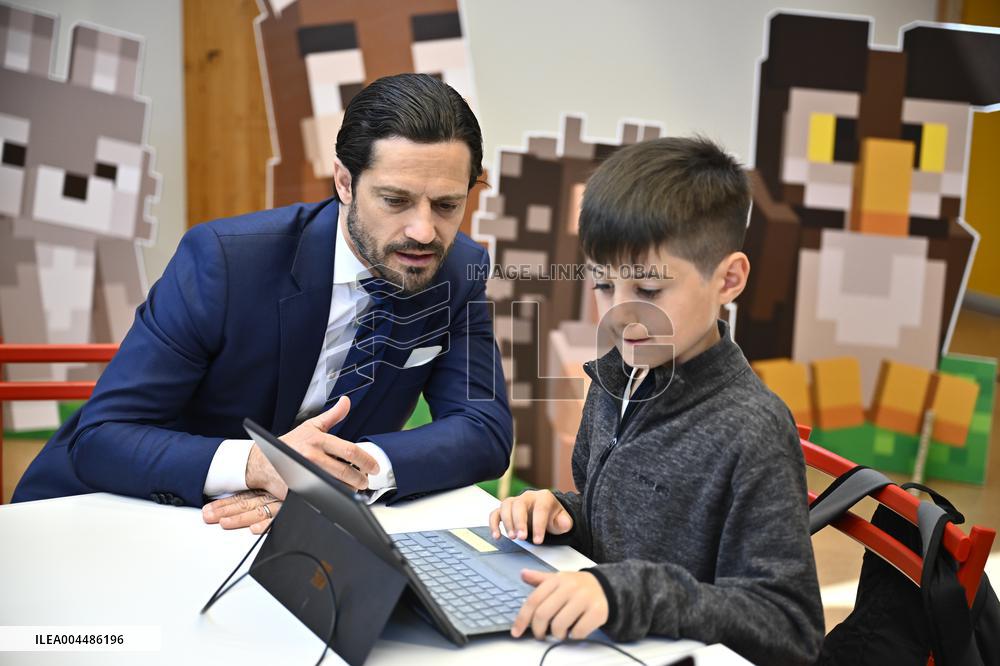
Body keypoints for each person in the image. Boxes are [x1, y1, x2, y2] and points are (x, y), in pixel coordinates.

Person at [14, 74, 513, 535]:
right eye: (395, 200)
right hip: (116, 514)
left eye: (447, 205)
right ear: (344, 182)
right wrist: (256, 465)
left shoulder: (457, 272)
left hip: (292, 532)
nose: (423, 231)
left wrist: (344, 472)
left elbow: (483, 431)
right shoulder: (226, 261)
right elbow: (102, 436)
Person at [489, 137, 824, 664]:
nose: (620, 314)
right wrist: (564, 513)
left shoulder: (752, 429)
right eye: (603, 285)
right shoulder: (616, 379)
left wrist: (627, 594)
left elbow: (788, 627)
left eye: (648, 290)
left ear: (728, 280)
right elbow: (623, 530)